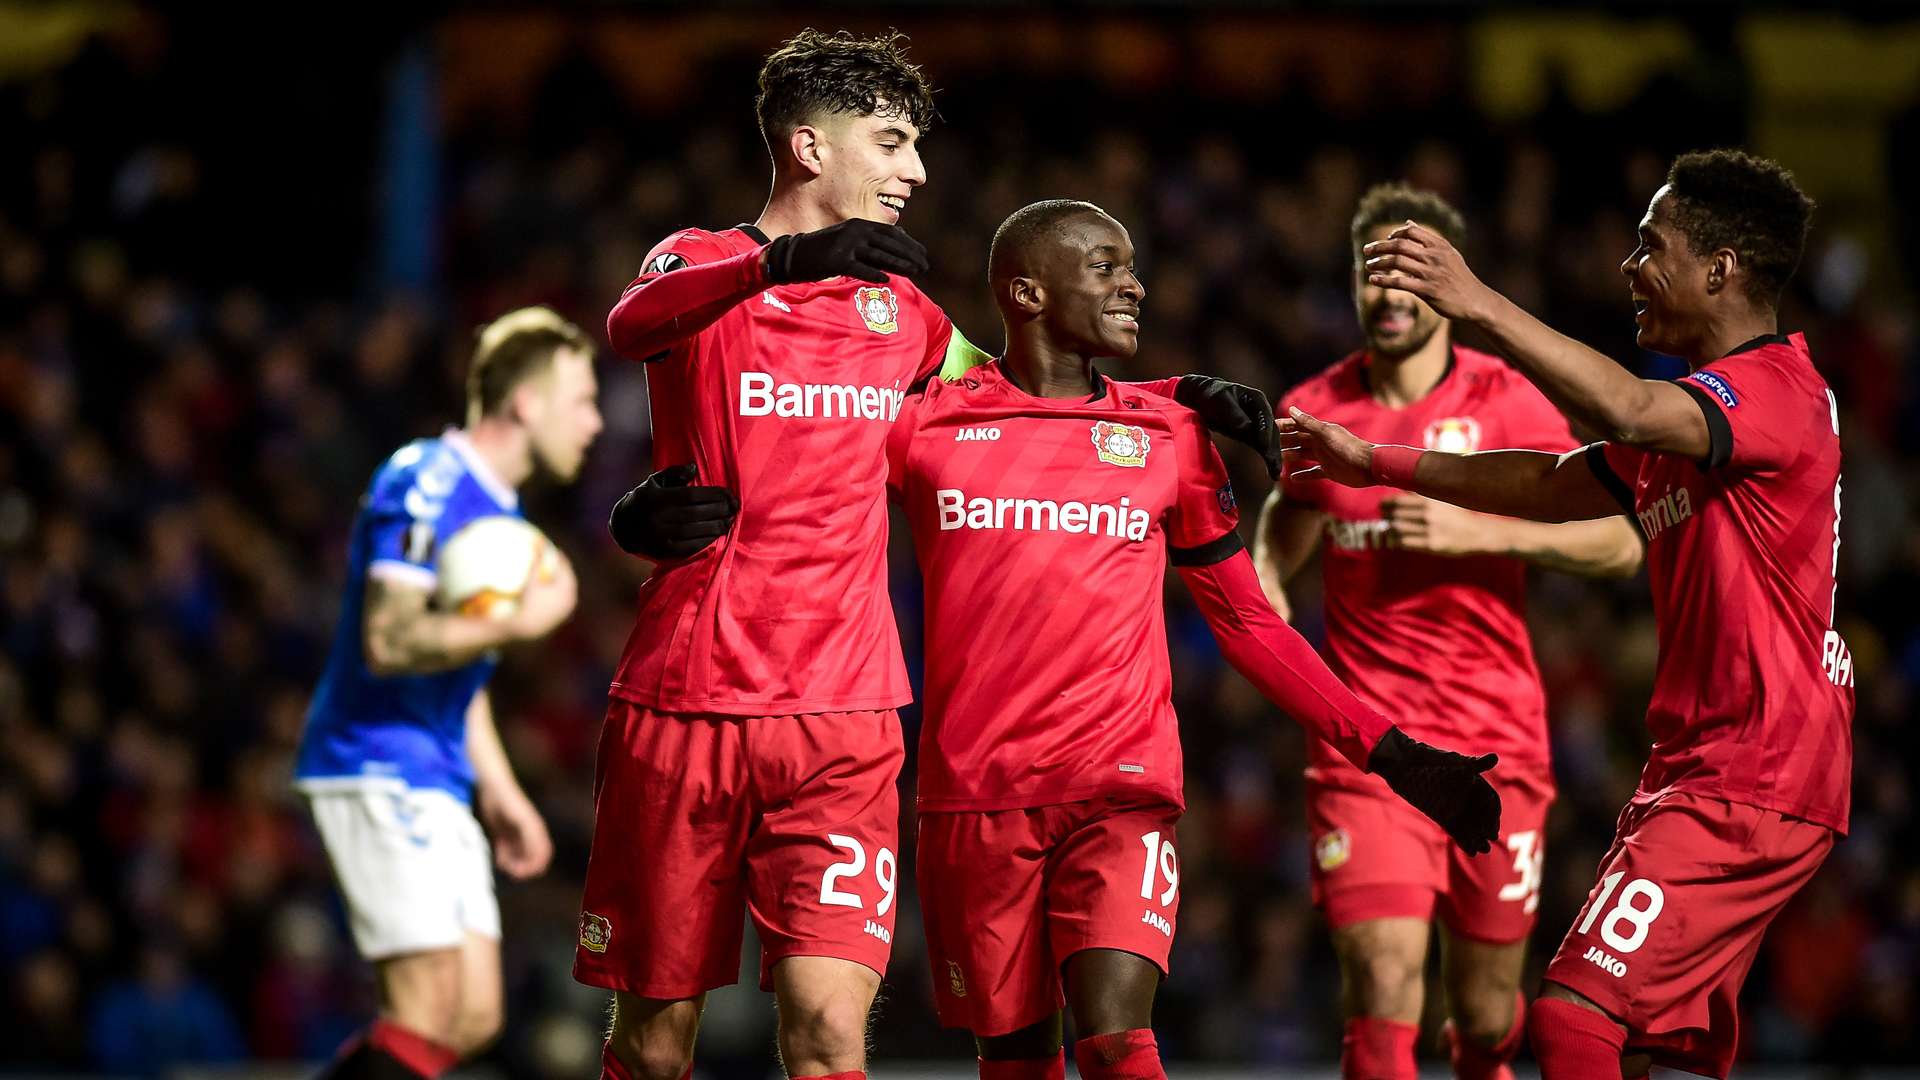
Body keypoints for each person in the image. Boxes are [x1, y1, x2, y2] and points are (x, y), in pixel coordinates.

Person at [581, 31, 1276, 1080]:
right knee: (657, 1042)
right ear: (811, 147)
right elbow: (633, 324)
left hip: (847, 719)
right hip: (689, 701)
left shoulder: (900, 311)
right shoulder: (700, 262)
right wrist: (778, 266)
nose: (913, 172)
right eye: (892, 142)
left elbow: (1018, 397)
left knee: (825, 1033)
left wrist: (1180, 397)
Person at [890, 199, 1501, 1080]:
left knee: (1115, 1041)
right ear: (1025, 291)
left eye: (1131, 265)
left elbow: (1248, 621)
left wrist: (1392, 751)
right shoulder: (925, 427)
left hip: (1120, 787)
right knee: (1018, 1061)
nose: (1134, 284)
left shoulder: (1169, 437)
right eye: (1104, 266)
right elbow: (805, 486)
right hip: (974, 799)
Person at [1285, 149, 1850, 1080]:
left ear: (1720, 271)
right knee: (1634, 1051)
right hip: (1712, 770)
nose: (1629, 268)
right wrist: (1372, 460)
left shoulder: (1771, 393)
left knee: (1571, 1023)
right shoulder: (1700, 416)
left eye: (1650, 245)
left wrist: (1482, 304)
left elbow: (1625, 408)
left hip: (1747, 775)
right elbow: (1546, 481)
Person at [1252, 184, 1643, 1080]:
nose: (1388, 297)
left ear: (1448, 284)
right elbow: (1290, 507)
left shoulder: (1508, 403)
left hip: (1498, 742)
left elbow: (1622, 541)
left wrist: (1487, 529)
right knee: (1383, 986)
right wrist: (1272, 577)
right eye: (1370, 274)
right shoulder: (1316, 402)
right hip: (1371, 752)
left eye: (1409, 277)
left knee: (1483, 1015)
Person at [294, 307, 603, 1080]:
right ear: (526, 403)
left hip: (438, 772)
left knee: (473, 1016)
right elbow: (389, 639)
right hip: (375, 758)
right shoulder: (426, 478)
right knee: (427, 1006)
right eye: (582, 401)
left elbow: (461, 683)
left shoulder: (501, 514)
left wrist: (500, 793)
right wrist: (523, 622)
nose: (595, 423)